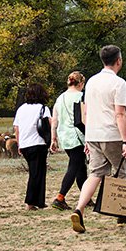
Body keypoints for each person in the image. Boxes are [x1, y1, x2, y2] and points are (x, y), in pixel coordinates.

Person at [69, 45, 126, 233]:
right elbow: (120, 114)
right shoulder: (119, 83)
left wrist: (87, 139)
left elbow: (87, 111)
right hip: (112, 135)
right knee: (123, 171)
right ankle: (122, 213)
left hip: (93, 134)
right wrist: (125, 141)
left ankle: (79, 209)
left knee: (95, 174)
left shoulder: (91, 81)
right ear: (119, 60)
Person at [50, 71, 87, 211]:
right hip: (77, 136)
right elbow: (85, 116)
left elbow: (55, 120)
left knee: (80, 167)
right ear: (81, 83)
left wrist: (53, 138)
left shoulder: (60, 98)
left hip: (64, 136)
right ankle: (60, 197)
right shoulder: (81, 96)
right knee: (74, 167)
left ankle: (86, 197)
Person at [12, 82, 51, 210]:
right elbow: (50, 125)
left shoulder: (21, 109)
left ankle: (39, 201)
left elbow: (16, 128)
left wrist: (19, 144)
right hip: (38, 143)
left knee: (37, 172)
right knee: (36, 173)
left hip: (25, 144)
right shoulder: (43, 109)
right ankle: (30, 202)